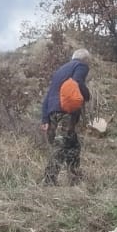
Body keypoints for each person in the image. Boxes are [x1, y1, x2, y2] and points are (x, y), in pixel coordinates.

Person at [41, 48, 92, 186]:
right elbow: (77, 84)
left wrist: (45, 118)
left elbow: (48, 95)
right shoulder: (81, 66)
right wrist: (87, 95)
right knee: (61, 145)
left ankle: (75, 178)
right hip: (66, 111)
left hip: (53, 111)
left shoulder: (60, 71)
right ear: (85, 59)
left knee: (73, 145)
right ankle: (49, 180)